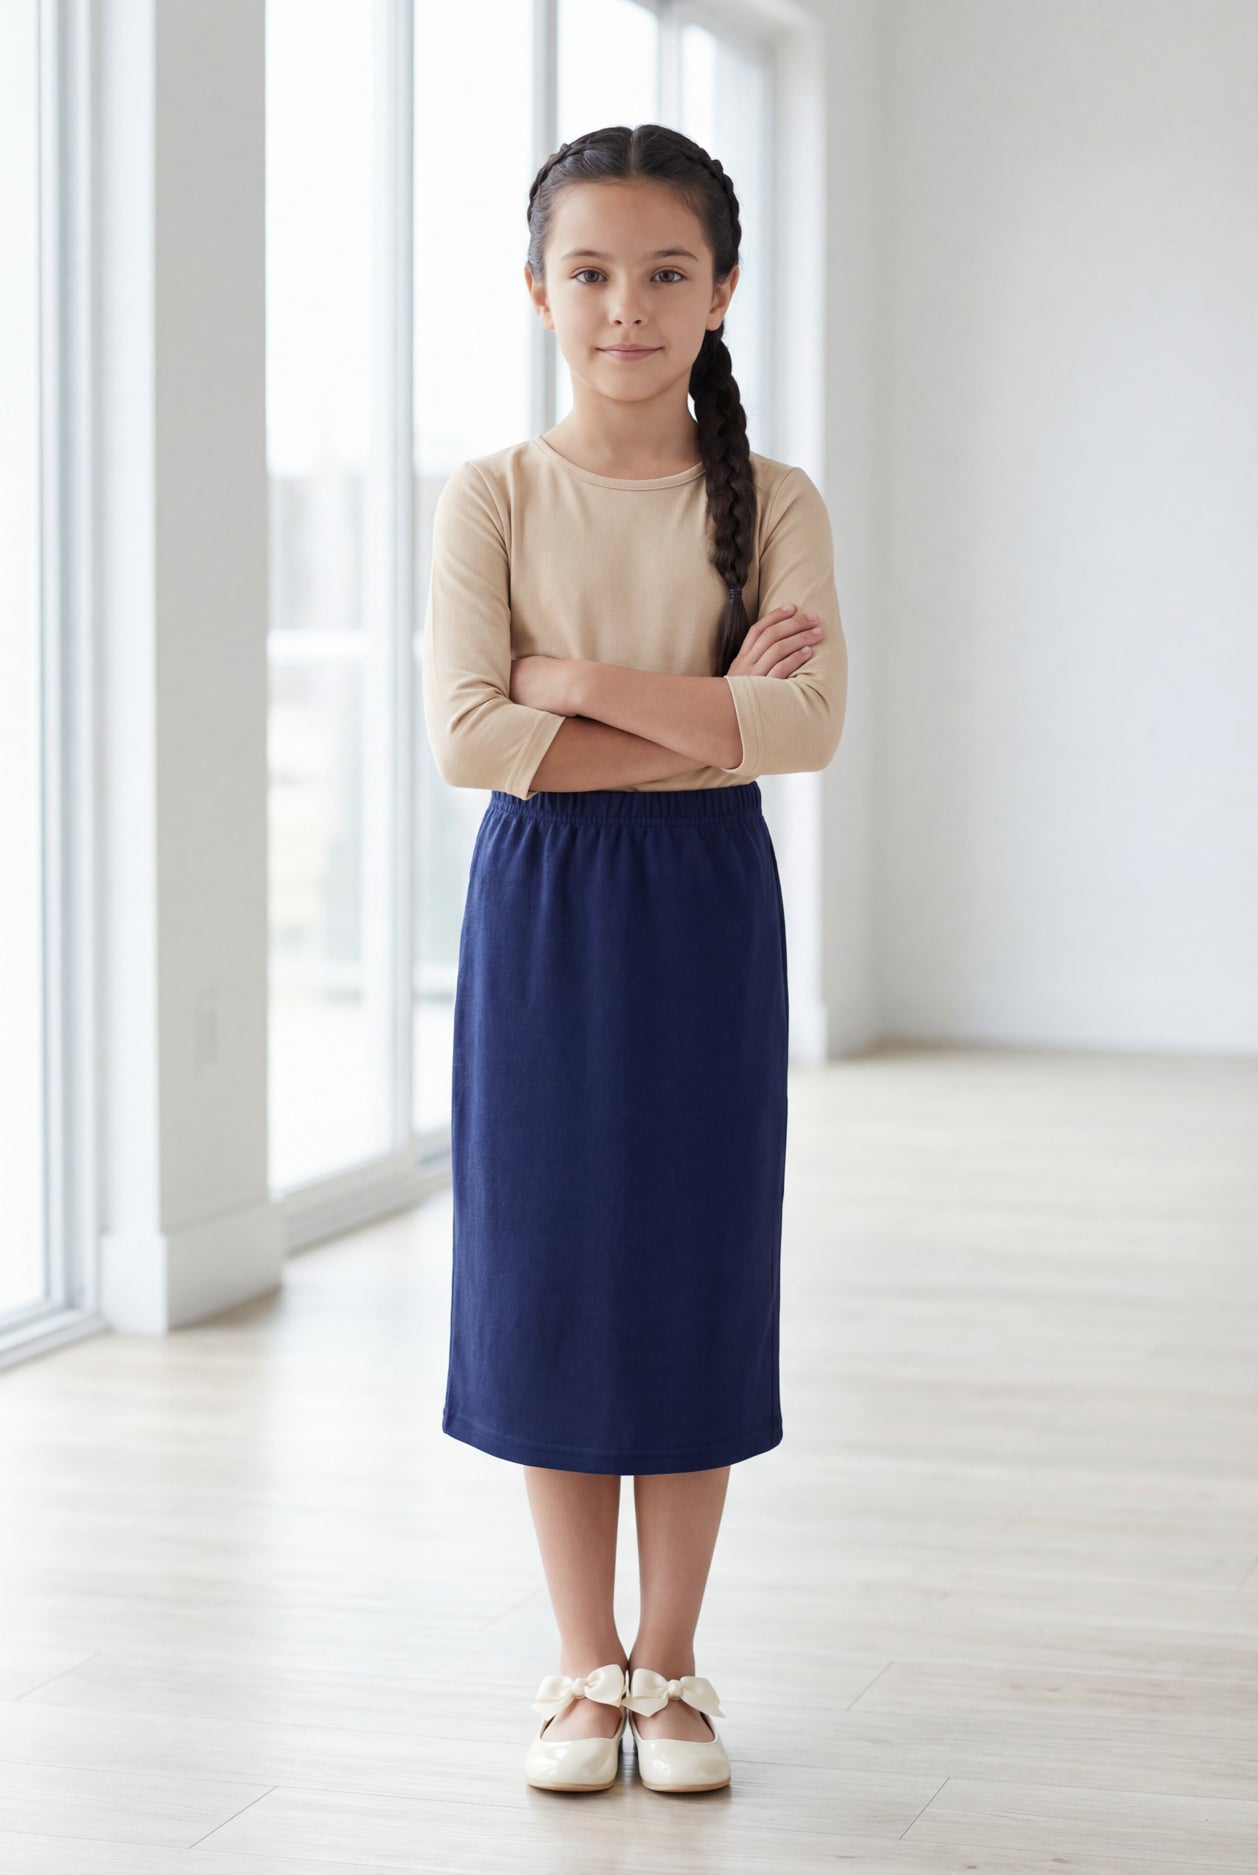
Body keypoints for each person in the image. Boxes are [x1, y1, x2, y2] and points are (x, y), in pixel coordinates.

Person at [420, 122, 848, 1795]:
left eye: (666, 272)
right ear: (538, 289)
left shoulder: (779, 501)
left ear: (722, 291)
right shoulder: (491, 495)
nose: (626, 306)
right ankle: (575, 1669)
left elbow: (802, 730)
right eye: (589, 272)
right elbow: (467, 742)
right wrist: (703, 715)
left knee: (685, 1273)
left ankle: (669, 1673)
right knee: (552, 1283)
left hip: (702, 914)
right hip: (544, 912)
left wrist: (573, 685)